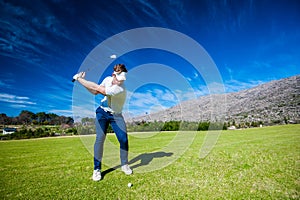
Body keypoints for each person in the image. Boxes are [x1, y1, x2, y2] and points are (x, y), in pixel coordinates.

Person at [73, 64, 132, 181]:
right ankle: (96, 169)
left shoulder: (120, 89)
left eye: (122, 80)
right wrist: (82, 81)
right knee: (100, 139)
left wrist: (79, 79)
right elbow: (94, 91)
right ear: (113, 75)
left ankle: (124, 164)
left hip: (116, 115)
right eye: (118, 79)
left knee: (123, 139)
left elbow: (98, 89)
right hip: (102, 112)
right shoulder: (107, 80)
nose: (120, 82)